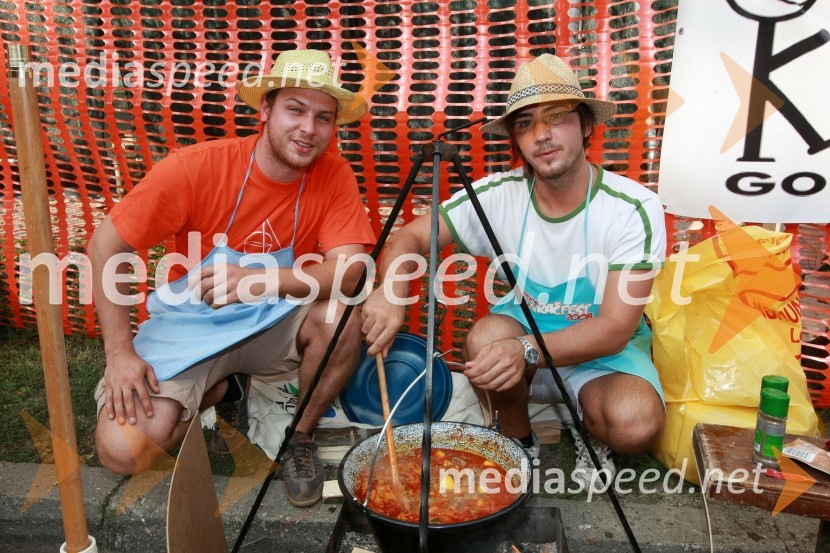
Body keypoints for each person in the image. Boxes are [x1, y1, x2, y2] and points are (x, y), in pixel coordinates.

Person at [361, 53, 666, 485]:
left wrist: (525, 349)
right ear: (516, 140)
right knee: (485, 337)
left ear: (585, 125)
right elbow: (409, 237)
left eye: (556, 117)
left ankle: (588, 427)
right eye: (525, 124)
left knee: (635, 423)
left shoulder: (632, 206)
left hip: (602, 350)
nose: (541, 135)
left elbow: (616, 327)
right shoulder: (500, 194)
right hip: (520, 347)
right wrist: (390, 292)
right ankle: (519, 441)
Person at [89, 49, 375, 507]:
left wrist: (264, 282)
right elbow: (106, 245)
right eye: (295, 110)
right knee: (124, 452)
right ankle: (223, 388)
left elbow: (352, 268)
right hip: (194, 324)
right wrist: (120, 353)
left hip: (276, 321)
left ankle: (298, 436)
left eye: (323, 118)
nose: (308, 129)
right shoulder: (195, 166)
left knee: (343, 315)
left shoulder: (334, 172)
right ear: (265, 110)